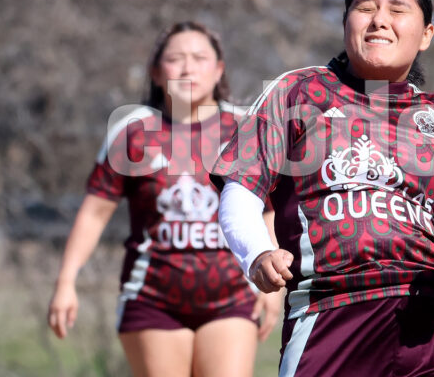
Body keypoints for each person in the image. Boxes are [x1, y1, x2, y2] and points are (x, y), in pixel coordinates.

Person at [211, 0, 434, 377]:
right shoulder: (298, 91)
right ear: (346, 22)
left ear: (426, 35)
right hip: (331, 315)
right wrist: (256, 253)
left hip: (429, 317)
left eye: (397, 9)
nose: (379, 21)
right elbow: (240, 191)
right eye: (365, 8)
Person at [48, 21, 282, 377]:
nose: (188, 67)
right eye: (176, 59)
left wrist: (268, 280)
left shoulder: (243, 128)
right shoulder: (133, 131)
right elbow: (95, 213)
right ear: (157, 73)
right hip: (152, 299)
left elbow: (266, 211)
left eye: (200, 58)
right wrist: (66, 282)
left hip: (232, 298)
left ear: (218, 70)